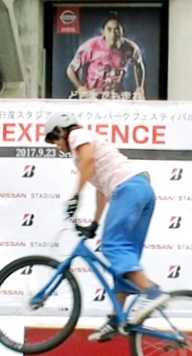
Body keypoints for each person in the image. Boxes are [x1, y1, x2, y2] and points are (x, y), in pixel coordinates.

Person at [43, 111, 167, 342]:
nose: (57, 147)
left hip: (129, 189)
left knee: (112, 246)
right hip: (140, 190)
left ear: (62, 130)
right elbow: (102, 190)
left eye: (55, 140)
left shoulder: (77, 135)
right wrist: (94, 223)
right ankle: (116, 318)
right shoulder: (85, 149)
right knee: (125, 260)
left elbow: (88, 161)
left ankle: (153, 292)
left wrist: (75, 196)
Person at [65, 14, 146, 100]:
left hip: (115, 97)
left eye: (117, 29)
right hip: (92, 97)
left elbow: (138, 66)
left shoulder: (131, 48)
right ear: (103, 32)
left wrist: (139, 88)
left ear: (123, 31)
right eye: (109, 29)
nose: (113, 34)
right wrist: (80, 88)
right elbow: (70, 70)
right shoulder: (90, 47)